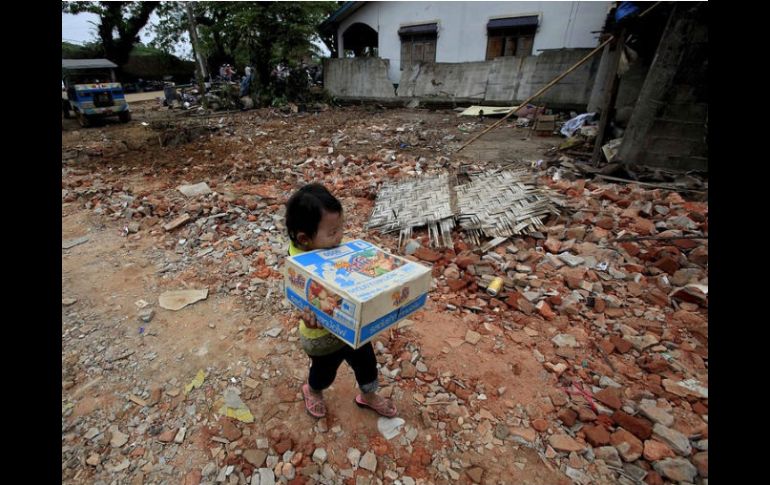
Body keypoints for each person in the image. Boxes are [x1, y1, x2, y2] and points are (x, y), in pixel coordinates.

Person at [284, 184, 397, 419]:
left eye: (341, 229)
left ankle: (368, 395)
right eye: (333, 232)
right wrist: (307, 316)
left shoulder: (325, 247)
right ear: (304, 239)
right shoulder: (300, 265)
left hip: (352, 329)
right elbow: (298, 298)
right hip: (321, 338)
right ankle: (313, 391)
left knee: (367, 364)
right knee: (324, 373)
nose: (340, 237)